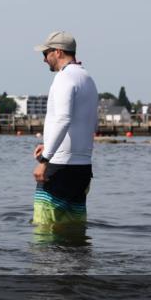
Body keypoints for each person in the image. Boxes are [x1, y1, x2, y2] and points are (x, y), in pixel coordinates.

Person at [31, 32, 99, 234]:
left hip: (60, 167)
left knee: (45, 228)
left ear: (58, 52)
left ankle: (47, 266)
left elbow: (62, 119)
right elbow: (91, 123)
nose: (44, 59)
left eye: (46, 53)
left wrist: (45, 159)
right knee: (74, 230)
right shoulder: (87, 79)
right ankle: (78, 266)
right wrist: (51, 144)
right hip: (82, 168)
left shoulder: (64, 77)